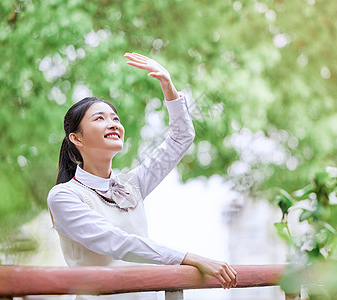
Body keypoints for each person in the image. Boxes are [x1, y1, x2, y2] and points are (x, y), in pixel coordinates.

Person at [47, 52, 237, 299]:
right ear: (76, 138)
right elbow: (117, 242)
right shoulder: (63, 196)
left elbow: (181, 139)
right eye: (100, 118)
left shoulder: (131, 184)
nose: (113, 123)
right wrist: (189, 258)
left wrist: (168, 85)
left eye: (115, 118)